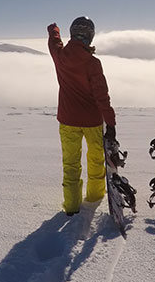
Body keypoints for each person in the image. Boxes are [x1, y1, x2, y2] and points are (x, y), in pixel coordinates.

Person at [48, 16, 118, 215]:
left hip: (68, 120)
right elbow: (102, 97)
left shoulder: (60, 56)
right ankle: (95, 198)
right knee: (96, 160)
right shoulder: (93, 63)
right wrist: (110, 124)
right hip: (92, 122)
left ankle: (71, 206)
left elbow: (54, 43)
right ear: (91, 36)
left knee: (70, 163)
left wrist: (54, 29)